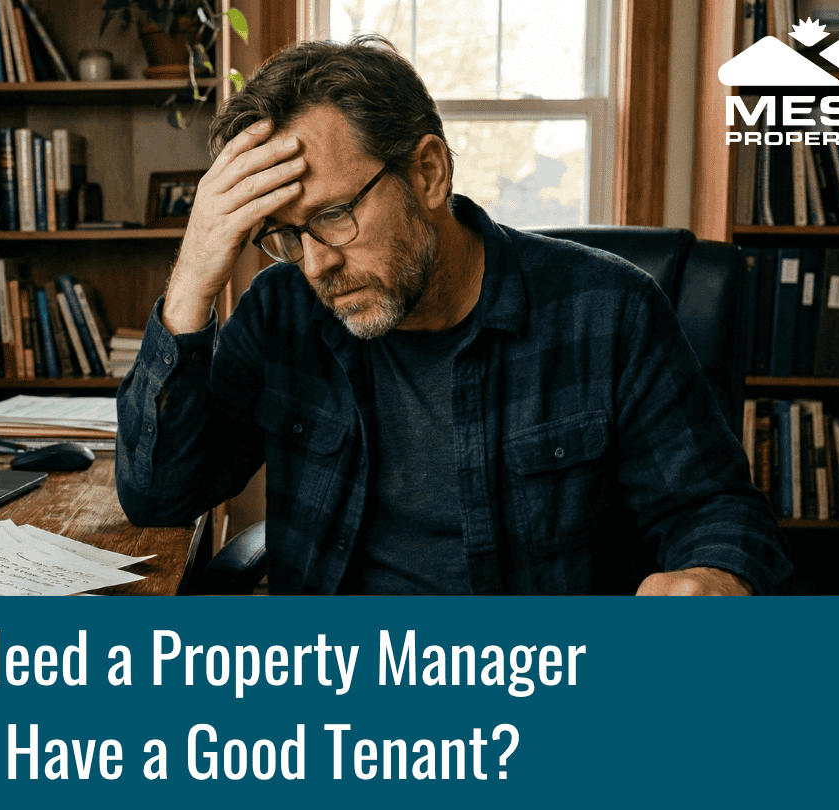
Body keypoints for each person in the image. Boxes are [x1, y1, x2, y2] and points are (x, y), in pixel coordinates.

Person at [114, 37, 791, 596]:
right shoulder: (281, 313)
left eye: (333, 216)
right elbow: (161, 498)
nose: (315, 264)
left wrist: (713, 577)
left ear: (429, 173)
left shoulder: (611, 313)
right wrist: (195, 276)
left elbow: (715, 509)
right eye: (288, 235)